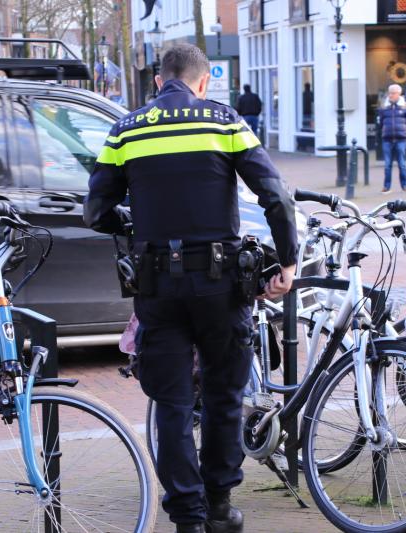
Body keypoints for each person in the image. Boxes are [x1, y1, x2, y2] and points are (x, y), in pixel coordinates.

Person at [84, 43, 298, 533]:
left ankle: (187, 516)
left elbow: (95, 212)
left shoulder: (126, 129)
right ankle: (219, 506)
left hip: (158, 286)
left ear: (159, 82)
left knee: (173, 402)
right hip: (221, 287)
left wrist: (133, 223)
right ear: (203, 83)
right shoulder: (225, 123)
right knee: (224, 395)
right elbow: (276, 196)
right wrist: (286, 261)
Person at [377, 84, 406, 193]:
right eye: (390, 93)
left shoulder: (405, 106)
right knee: (387, 165)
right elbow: (380, 122)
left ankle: (404, 185)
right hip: (387, 138)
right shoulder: (384, 107)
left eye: (393, 93)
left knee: (402, 164)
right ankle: (386, 187)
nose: (390, 95)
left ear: (399, 94)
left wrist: (404, 132)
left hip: (401, 138)